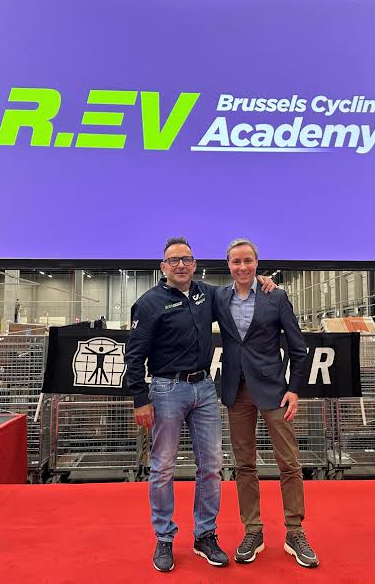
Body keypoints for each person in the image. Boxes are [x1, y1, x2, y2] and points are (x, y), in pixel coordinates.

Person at [124, 237, 273, 573]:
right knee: (163, 467)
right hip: (166, 390)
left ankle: (205, 535)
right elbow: (134, 355)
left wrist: (264, 281)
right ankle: (164, 537)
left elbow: (239, 289)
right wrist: (140, 398)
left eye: (187, 259)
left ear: (194, 265)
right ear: (163, 267)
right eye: (173, 260)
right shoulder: (148, 303)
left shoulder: (208, 294)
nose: (181, 265)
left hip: (204, 389)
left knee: (211, 465)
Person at [214, 238, 318, 568]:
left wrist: (294, 389)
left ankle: (295, 531)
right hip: (237, 391)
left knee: (289, 463)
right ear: (228, 265)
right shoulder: (219, 297)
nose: (242, 267)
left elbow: (298, 348)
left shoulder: (277, 296)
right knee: (244, 465)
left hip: (274, 391)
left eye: (248, 261)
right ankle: (253, 530)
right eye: (236, 262)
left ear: (257, 263)